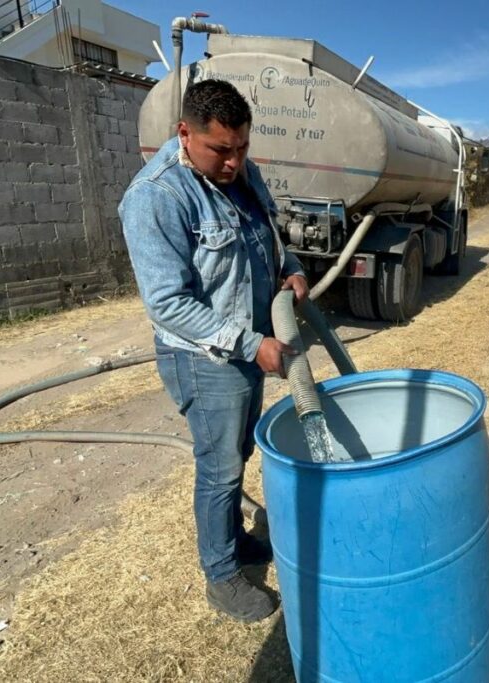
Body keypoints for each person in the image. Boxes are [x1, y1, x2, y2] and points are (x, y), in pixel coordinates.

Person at [119, 79, 308, 622]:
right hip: (207, 359)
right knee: (220, 469)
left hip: (249, 349)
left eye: (242, 147)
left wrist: (291, 271)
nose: (234, 162)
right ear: (184, 133)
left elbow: (266, 236)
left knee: (240, 454)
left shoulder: (243, 174)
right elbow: (168, 304)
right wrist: (252, 343)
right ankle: (221, 575)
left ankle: (233, 539)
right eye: (221, 150)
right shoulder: (157, 197)